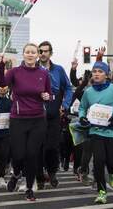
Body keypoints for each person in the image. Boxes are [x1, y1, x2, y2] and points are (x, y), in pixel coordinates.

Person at [0, 43, 52, 202]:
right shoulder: (15, 72)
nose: (30, 54)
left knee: (32, 155)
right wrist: (1, 66)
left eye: (33, 52)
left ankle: (28, 188)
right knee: (19, 155)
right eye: (27, 52)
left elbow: (50, 94)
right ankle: (16, 173)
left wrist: (47, 97)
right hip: (18, 119)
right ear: (23, 54)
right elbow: (1, 83)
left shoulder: (44, 73)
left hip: (38, 119)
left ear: (37, 55)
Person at [77, 61, 113, 205]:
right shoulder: (88, 92)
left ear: (106, 74)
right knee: (98, 162)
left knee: (112, 161)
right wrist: (82, 117)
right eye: (94, 72)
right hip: (95, 131)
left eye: (100, 71)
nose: (97, 74)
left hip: (111, 131)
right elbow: (82, 108)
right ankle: (101, 192)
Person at [36, 41, 73, 189]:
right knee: (38, 147)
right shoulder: (32, 68)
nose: (43, 53)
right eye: (41, 51)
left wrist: (64, 105)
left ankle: (52, 172)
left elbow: (69, 88)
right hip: (36, 112)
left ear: (50, 53)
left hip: (54, 112)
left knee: (52, 146)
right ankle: (39, 175)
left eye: (46, 51)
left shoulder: (58, 70)